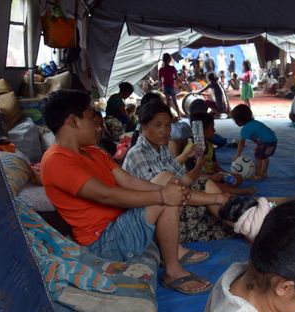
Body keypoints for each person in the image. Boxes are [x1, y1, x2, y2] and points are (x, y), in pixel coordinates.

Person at [40, 90, 212, 295]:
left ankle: (174, 258)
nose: (96, 125)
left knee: (167, 183)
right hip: (104, 241)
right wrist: (163, 196)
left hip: (121, 225)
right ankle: (173, 272)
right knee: (165, 198)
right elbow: (107, 195)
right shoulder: (57, 161)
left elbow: (129, 181)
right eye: (89, 118)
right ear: (73, 121)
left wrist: (171, 192)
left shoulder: (93, 151)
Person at [122, 101, 233, 246]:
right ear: (143, 125)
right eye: (158, 125)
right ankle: (240, 224)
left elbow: (183, 179)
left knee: (206, 185)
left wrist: (196, 164)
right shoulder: (138, 155)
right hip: (152, 217)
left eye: (168, 125)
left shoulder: (160, 148)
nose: (165, 130)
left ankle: (239, 223)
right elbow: (170, 193)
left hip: (168, 199)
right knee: (209, 208)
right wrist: (217, 197)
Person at [182, 112, 254, 196]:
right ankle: (239, 191)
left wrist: (229, 175)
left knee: (238, 179)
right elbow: (191, 175)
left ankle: (227, 190)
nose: (214, 130)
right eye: (212, 127)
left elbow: (216, 167)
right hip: (196, 180)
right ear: (203, 131)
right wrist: (211, 177)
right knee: (209, 184)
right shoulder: (191, 150)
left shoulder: (209, 146)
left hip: (212, 176)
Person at [231, 104, 277, 180]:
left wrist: (237, 155)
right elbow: (264, 134)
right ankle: (264, 172)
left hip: (265, 142)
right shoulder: (255, 122)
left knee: (258, 158)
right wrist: (259, 146)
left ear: (238, 121)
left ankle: (258, 175)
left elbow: (241, 143)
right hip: (273, 140)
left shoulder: (245, 129)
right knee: (264, 157)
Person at [158, 53, 182, 118]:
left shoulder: (161, 69)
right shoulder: (172, 68)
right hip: (171, 86)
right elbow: (176, 77)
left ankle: (168, 117)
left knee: (168, 103)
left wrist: (161, 83)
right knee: (175, 102)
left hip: (165, 86)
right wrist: (172, 79)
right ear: (169, 60)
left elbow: (159, 79)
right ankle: (179, 116)